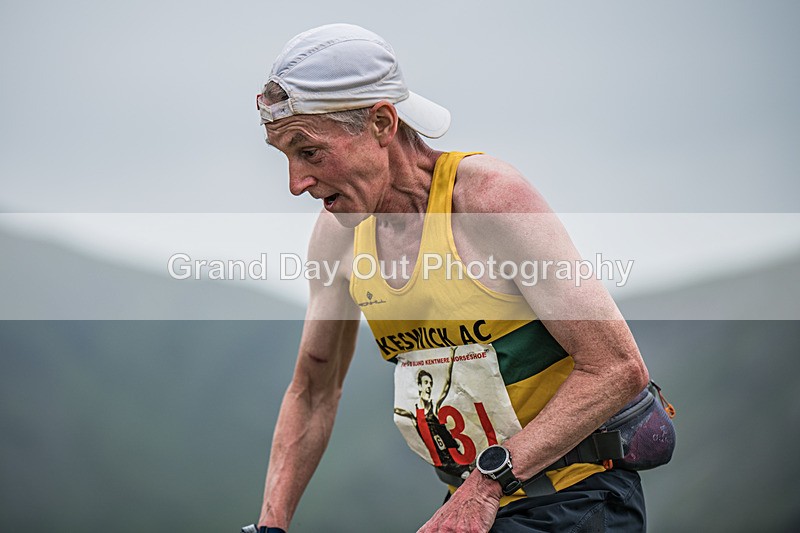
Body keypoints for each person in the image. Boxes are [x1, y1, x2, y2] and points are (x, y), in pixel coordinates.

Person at [252, 23, 651, 532]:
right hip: (476, 504)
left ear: (381, 122)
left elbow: (617, 368)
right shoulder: (339, 235)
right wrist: (270, 525)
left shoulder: (489, 201)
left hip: (577, 497)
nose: (295, 184)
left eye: (308, 152)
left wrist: (485, 485)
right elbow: (313, 390)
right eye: (283, 155)